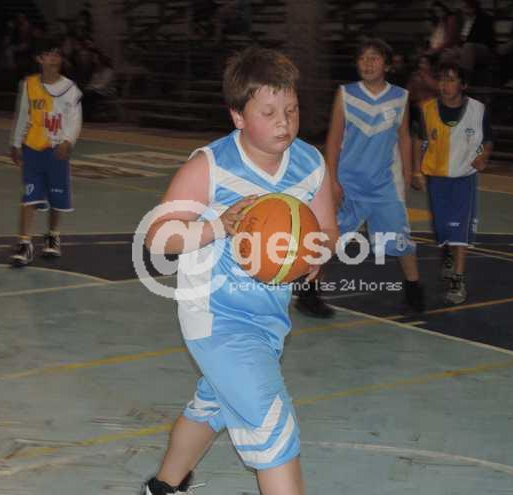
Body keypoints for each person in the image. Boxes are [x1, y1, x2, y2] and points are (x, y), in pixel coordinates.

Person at [140, 47, 338, 495]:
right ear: (238, 116)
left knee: (214, 403)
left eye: (292, 109)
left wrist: (314, 254)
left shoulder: (309, 163)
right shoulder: (210, 167)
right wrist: (217, 226)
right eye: (269, 112)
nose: (284, 122)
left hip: (269, 317)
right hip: (215, 316)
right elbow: (157, 236)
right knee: (272, 428)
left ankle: (162, 488)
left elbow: (327, 229)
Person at [296, 38, 425, 318]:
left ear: (387, 65)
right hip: (349, 184)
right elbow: (333, 140)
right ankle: (308, 293)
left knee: (400, 238)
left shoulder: (400, 97)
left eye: (374, 58)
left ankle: (415, 292)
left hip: (384, 185)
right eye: (363, 58)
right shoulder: (346, 94)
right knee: (330, 239)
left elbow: (404, 138)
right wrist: (332, 181)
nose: (367, 63)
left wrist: (406, 175)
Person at [412, 61, 493, 305]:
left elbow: (488, 140)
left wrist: (484, 156)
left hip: (464, 178)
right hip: (436, 178)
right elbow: (419, 140)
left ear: (463, 84)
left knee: (459, 230)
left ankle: (458, 278)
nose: (445, 84)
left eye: (451, 79)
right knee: (442, 229)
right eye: (442, 79)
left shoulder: (478, 110)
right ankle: (446, 250)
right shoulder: (427, 109)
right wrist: (416, 170)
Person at [9, 37, 83, 267]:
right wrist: (15, 142)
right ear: (39, 59)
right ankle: (24, 243)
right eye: (49, 54)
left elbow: (75, 119)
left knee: (56, 197)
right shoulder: (29, 85)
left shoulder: (70, 89)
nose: (54, 58)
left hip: (56, 151)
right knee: (29, 195)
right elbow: (23, 114)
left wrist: (68, 141)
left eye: (57, 54)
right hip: (33, 148)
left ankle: (52, 235)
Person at [457, 0, 495, 81]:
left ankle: (465, 80)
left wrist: (463, 46)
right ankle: (448, 80)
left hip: (483, 48)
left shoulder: (484, 18)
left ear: (473, 8)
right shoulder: (465, 20)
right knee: (449, 53)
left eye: (466, 8)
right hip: (466, 47)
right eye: (463, 8)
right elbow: (461, 39)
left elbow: (484, 39)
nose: (463, 10)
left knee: (468, 47)